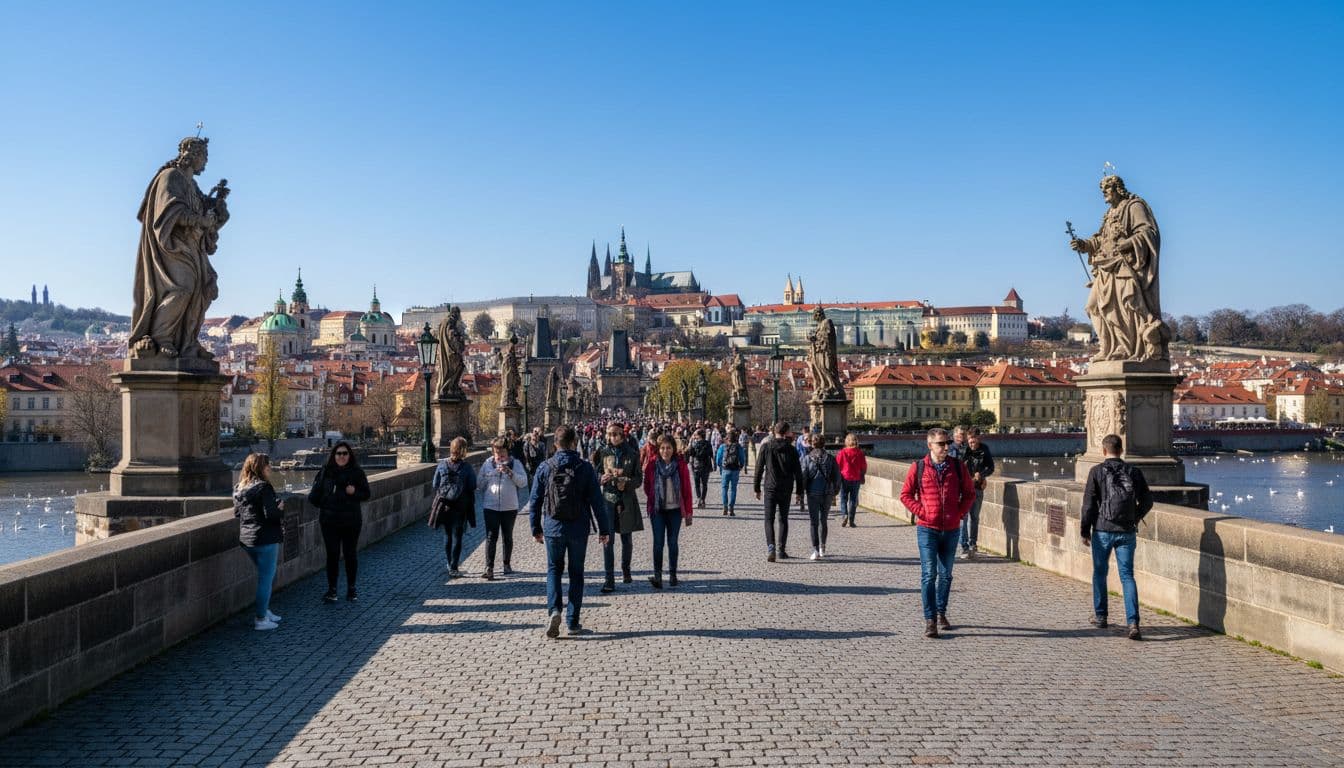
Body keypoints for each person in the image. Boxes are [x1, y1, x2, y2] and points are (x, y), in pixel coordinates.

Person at [1070, 174, 1169, 363]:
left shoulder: (1134, 206)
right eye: (1102, 190)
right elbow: (1102, 240)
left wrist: (1127, 245)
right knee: (1092, 307)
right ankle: (1106, 348)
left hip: (1124, 267)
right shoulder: (1109, 213)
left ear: (1118, 188)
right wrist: (1084, 244)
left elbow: (1148, 233)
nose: (1104, 194)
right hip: (1106, 268)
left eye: (1107, 189)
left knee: (1126, 305)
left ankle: (1126, 347)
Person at [529, 425, 611, 638]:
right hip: (578, 527)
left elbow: (535, 500)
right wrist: (604, 529)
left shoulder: (545, 467)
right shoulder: (585, 468)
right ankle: (573, 622)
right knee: (576, 574)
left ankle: (554, 610)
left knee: (554, 569)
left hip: (553, 527)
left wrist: (535, 527)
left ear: (555, 443)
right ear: (575, 442)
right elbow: (597, 502)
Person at [900, 428, 974, 638]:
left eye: (947, 443)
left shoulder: (958, 467)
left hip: (951, 530)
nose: (946, 447)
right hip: (927, 529)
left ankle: (941, 611)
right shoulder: (919, 467)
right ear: (930, 445)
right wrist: (923, 512)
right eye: (941, 443)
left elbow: (969, 494)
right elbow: (905, 495)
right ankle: (930, 620)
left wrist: (959, 513)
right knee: (929, 574)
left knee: (946, 575)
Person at [1081, 434, 1153, 640]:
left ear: (1104, 451)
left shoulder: (1096, 472)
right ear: (1121, 450)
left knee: (1100, 573)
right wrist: (1135, 517)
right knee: (1127, 576)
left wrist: (1085, 531)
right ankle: (1133, 623)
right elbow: (1148, 501)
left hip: (1103, 530)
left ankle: (1101, 616)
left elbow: (1088, 506)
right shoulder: (1134, 471)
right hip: (1127, 531)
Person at [308, 441, 371, 603]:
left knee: (350, 554)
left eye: (345, 453)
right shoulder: (325, 472)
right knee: (332, 555)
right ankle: (332, 590)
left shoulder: (357, 472)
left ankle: (351, 589)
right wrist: (326, 503)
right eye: (338, 453)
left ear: (349, 455)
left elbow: (366, 494)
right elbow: (314, 496)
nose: (341, 456)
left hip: (351, 520)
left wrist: (354, 492)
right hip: (329, 521)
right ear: (333, 455)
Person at [234, 453, 284, 631]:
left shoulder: (239, 487)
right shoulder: (264, 487)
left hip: (247, 540)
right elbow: (270, 514)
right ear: (260, 468)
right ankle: (261, 619)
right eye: (266, 465)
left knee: (265, 577)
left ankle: (265, 610)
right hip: (265, 538)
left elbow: (237, 513)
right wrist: (279, 508)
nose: (269, 468)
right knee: (265, 579)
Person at [592, 423, 643, 592]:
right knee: (608, 539)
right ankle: (609, 579)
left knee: (626, 538)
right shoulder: (602, 452)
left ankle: (626, 568)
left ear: (622, 435)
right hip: (608, 500)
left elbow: (638, 479)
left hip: (626, 499)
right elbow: (595, 473)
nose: (611, 437)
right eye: (609, 434)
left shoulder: (633, 454)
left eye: (615, 434)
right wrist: (602, 477)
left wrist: (626, 482)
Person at [643, 435, 693, 588]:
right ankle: (658, 576)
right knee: (658, 543)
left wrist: (689, 512)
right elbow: (647, 486)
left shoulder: (680, 465)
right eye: (663, 448)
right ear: (658, 449)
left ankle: (673, 574)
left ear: (674, 449)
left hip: (675, 510)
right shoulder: (652, 464)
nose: (665, 451)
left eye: (669, 448)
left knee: (672, 542)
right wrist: (654, 497)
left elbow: (686, 489)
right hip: (658, 510)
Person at [754, 421, 804, 562]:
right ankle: (781, 550)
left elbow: (758, 469)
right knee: (783, 519)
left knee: (769, 519)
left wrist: (756, 488)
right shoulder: (792, 449)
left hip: (770, 486)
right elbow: (798, 473)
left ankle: (771, 547)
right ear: (786, 433)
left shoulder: (766, 447)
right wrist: (799, 492)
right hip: (786, 488)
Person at [479, 436, 528, 579]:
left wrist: (510, 473)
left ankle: (506, 564)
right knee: (491, 536)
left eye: (502, 453)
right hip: (490, 505)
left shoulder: (515, 463)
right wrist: (489, 475)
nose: (499, 456)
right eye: (496, 453)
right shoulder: (487, 463)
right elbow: (479, 484)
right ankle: (489, 567)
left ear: (507, 452)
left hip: (509, 506)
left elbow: (523, 482)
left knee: (507, 536)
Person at [432, 437, 478, 577]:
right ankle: (454, 566)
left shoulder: (442, 465)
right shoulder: (466, 467)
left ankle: (448, 562)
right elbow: (473, 486)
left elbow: (435, 485)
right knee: (457, 535)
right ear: (464, 450)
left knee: (447, 535)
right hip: (460, 505)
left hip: (445, 505)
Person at [801, 432, 840, 560]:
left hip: (812, 493)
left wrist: (802, 492)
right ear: (824, 444)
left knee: (814, 522)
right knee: (823, 521)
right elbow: (837, 477)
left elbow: (804, 477)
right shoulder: (830, 458)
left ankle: (816, 550)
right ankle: (823, 547)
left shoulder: (807, 458)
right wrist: (835, 491)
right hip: (827, 492)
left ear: (812, 444)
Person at [959, 428, 995, 559]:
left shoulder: (985, 449)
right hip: (964, 488)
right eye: (969, 440)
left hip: (977, 487)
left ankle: (973, 545)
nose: (971, 443)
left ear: (979, 439)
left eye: (974, 440)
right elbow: (957, 467)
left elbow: (991, 467)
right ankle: (964, 547)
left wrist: (982, 475)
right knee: (964, 518)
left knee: (974, 517)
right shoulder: (963, 450)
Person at [835, 433, 867, 527]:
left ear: (846, 441)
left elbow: (837, 466)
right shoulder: (860, 453)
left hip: (844, 478)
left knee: (843, 498)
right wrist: (862, 474)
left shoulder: (842, 452)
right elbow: (863, 466)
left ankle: (845, 515)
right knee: (853, 500)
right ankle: (851, 520)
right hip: (856, 478)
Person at [715, 428, 747, 516]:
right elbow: (742, 458)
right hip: (735, 469)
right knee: (733, 489)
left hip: (725, 469)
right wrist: (741, 466)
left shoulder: (722, 446)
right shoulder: (738, 446)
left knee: (724, 488)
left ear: (727, 438)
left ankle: (725, 507)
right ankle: (731, 508)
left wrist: (720, 466)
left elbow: (718, 459)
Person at [686, 429, 714, 509]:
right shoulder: (708, 444)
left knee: (697, 484)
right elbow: (711, 454)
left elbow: (691, 453)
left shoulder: (695, 444)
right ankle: (703, 499)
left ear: (699, 436)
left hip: (696, 466)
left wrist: (691, 442)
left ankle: (699, 499)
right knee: (704, 484)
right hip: (706, 466)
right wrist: (713, 465)